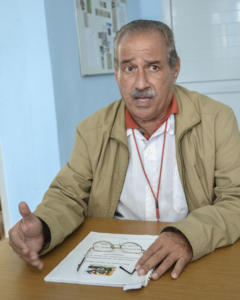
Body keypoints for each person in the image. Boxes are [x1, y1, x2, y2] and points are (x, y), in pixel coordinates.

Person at [9, 20, 240, 281]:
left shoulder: (217, 119)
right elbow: (68, 195)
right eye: (129, 68)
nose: (140, 83)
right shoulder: (92, 129)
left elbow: (235, 199)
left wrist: (187, 236)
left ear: (175, 69)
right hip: (117, 261)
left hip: (192, 259)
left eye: (153, 67)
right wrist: (44, 226)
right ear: (117, 74)